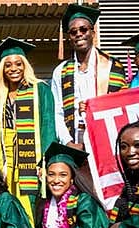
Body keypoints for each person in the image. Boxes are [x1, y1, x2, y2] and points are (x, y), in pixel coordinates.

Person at [0, 37, 57, 225]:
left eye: (18, 64)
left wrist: (45, 162)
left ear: (25, 65)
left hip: (31, 158)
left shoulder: (40, 90)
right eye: (8, 65)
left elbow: (48, 126)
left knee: (31, 204)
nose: (13, 69)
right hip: (7, 162)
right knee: (8, 203)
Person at [52, 4, 127, 147]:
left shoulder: (112, 66)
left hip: (108, 141)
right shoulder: (60, 71)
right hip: (75, 144)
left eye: (83, 29)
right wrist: (68, 142)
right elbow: (57, 112)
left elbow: (123, 106)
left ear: (93, 33)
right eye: (73, 32)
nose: (79, 34)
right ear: (69, 37)